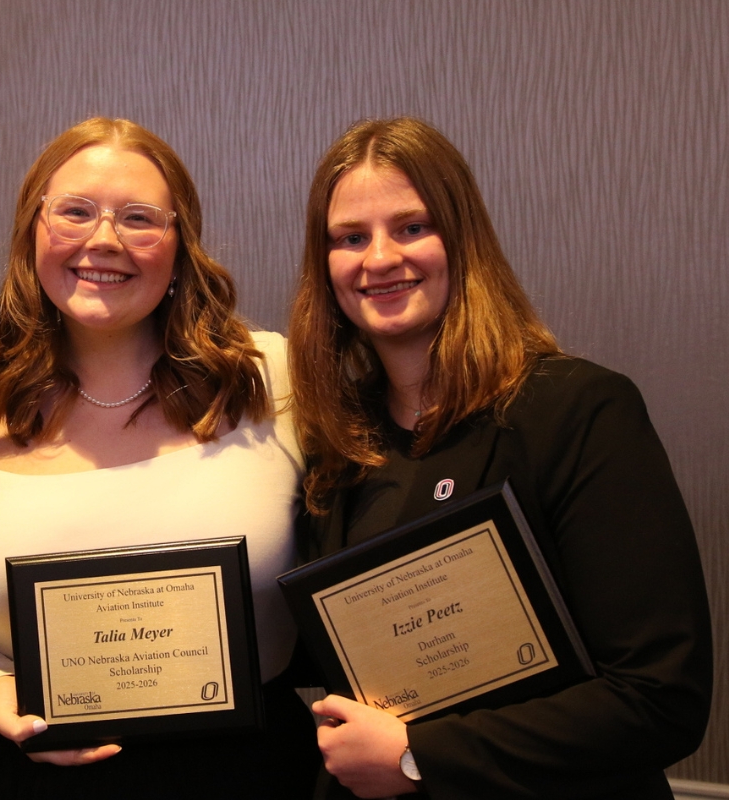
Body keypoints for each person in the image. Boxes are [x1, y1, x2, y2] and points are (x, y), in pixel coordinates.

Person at [288, 117, 713, 799]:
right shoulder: (336, 445)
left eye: (411, 227)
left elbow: (659, 699)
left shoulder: (578, 411)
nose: (378, 258)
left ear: (463, 239)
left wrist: (416, 756)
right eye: (350, 238)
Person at [0, 117, 320, 797]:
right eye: (75, 211)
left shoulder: (274, 379)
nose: (103, 239)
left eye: (139, 218)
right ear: (33, 231)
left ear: (179, 246)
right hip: (32, 780)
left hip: (253, 776)